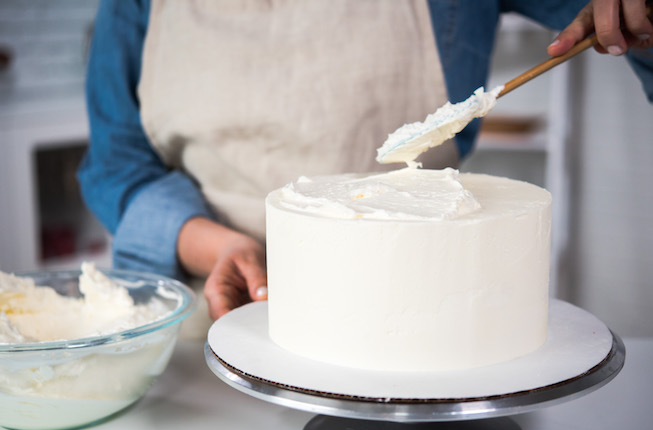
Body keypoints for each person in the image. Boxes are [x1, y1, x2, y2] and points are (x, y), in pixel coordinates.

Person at [78, 0, 653, 334]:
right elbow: (115, 164)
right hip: (218, 321)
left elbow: (625, 22)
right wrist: (215, 246)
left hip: (423, 323)